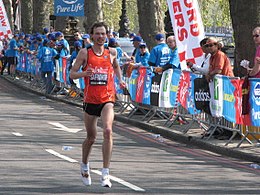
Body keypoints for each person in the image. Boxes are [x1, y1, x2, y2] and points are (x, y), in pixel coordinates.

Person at [70, 22, 125, 188]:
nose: (101, 37)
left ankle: (105, 173)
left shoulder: (112, 52)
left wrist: (120, 80)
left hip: (107, 98)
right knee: (91, 137)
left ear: (107, 35)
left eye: (103, 34)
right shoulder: (84, 53)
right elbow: (72, 74)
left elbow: (116, 67)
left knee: (108, 130)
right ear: (92, 36)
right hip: (90, 100)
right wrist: (83, 73)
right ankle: (84, 164)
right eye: (98, 34)